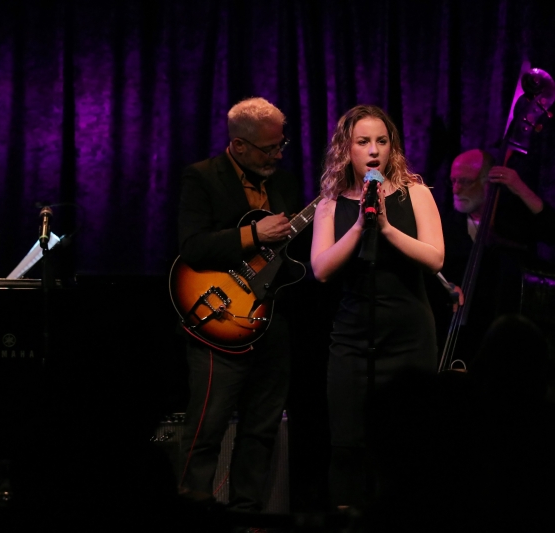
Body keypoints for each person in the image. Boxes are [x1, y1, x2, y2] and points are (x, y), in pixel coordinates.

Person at [310, 104, 444, 510]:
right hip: (352, 340)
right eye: (363, 142)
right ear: (346, 149)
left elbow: (435, 257)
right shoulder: (330, 204)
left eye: (381, 142)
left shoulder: (415, 193)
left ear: (392, 148)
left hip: (408, 337)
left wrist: (385, 227)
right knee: (349, 447)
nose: (373, 151)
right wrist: (359, 225)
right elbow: (321, 269)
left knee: (411, 448)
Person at [175, 96, 303, 518]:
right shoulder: (202, 178)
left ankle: (248, 514)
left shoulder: (283, 182)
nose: (278, 154)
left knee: (262, 427)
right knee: (207, 426)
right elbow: (192, 246)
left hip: (272, 319)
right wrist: (253, 235)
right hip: (220, 317)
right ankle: (193, 509)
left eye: (281, 145)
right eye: (269, 148)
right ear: (240, 145)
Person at [433, 149, 555, 364]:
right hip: (454, 335)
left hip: (508, 341)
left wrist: (521, 189)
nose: (456, 189)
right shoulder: (445, 225)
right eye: (453, 181)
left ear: (488, 183)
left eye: (465, 181)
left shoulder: (513, 221)